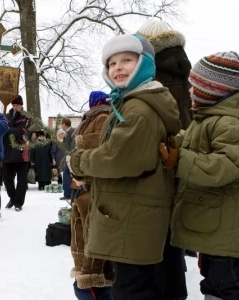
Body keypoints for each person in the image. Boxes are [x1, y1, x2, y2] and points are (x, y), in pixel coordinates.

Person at [69, 34, 181, 300]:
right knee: (136, 284)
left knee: (131, 289)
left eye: (127, 60)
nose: (118, 67)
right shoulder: (128, 103)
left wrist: (80, 162)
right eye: (112, 63)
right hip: (130, 215)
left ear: (144, 65)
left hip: (132, 218)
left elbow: (120, 158)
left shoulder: (138, 109)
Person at [170, 51, 239, 300]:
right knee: (213, 283)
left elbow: (223, 166)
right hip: (218, 233)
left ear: (213, 90)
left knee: (226, 285)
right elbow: (189, 143)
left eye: (194, 86)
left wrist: (177, 158)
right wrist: (170, 142)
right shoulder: (205, 120)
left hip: (230, 237)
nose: (189, 91)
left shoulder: (229, 123)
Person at [137, 18, 192, 300]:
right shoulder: (184, 72)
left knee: (154, 239)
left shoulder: (151, 76)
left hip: (157, 159)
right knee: (171, 239)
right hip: (180, 157)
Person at [69, 91, 113, 299]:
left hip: (95, 187)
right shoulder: (93, 116)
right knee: (83, 236)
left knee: (92, 245)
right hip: (86, 186)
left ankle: (92, 279)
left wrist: (79, 144)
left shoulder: (102, 116)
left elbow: (98, 145)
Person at [2, 95, 31, 211]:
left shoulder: (26, 117)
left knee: (21, 180)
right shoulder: (6, 116)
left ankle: (18, 202)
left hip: (21, 152)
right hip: (8, 152)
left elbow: (24, 132)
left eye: (17, 105)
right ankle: (13, 198)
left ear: (21, 105)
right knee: (7, 179)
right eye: (13, 105)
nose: (15, 107)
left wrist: (8, 129)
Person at [60, 117, 75, 200]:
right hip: (69, 156)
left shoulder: (70, 132)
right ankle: (68, 193)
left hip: (70, 157)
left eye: (62, 124)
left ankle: (68, 194)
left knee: (66, 174)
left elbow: (70, 146)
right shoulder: (69, 132)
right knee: (67, 174)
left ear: (64, 124)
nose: (61, 126)